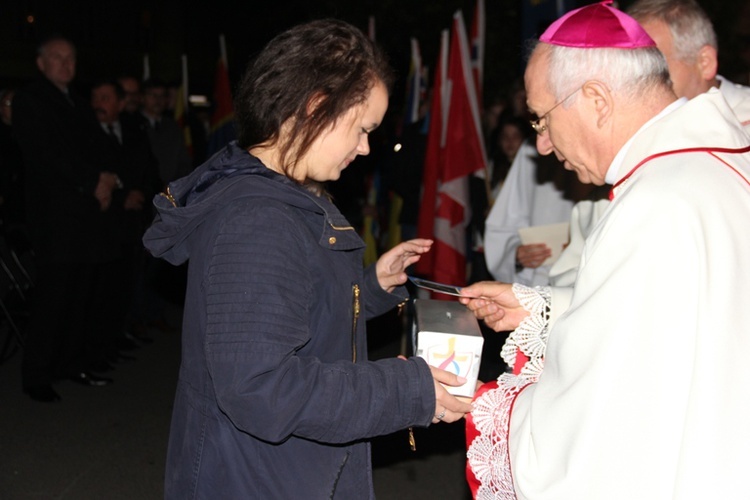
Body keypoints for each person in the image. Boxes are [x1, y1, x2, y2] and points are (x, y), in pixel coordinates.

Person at [142, 19, 472, 499]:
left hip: (279, 470)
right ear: (317, 106)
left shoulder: (283, 196)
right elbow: (262, 387)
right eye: (362, 129)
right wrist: (407, 389)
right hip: (256, 479)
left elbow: (296, 313)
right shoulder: (258, 218)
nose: (365, 148)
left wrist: (371, 286)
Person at [459, 2, 750, 498]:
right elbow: (676, 321)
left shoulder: (656, 203)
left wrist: (488, 406)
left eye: (543, 120)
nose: (544, 146)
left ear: (595, 98)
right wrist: (542, 307)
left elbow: (603, 426)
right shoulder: (711, 167)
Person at [547, 0, 750, 289]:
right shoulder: (629, 137)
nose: (634, 79)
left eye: (655, 65)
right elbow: (587, 265)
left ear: (704, 62)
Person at [13, 35, 118, 402]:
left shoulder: (78, 103)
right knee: (52, 300)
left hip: (85, 217)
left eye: (71, 58)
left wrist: (107, 179)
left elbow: (99, 147)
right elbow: (46, 154)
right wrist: (93, 182)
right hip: (55, 218)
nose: (65, 64)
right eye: (57, 58)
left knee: (78, 297)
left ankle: (71, 365)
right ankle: (37, 374)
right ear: (41, 64)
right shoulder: (31, 100)